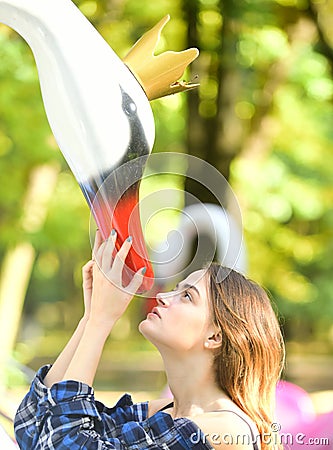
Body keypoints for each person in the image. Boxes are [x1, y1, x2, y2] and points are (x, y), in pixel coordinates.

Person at [14, 230, 285, 450]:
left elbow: (65, 444)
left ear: (215, 336)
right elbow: (32, 430)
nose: (164, 297)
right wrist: (89, 319)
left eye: (187, 296)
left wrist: (101, 322)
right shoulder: (163, 413)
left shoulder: (225, 431)